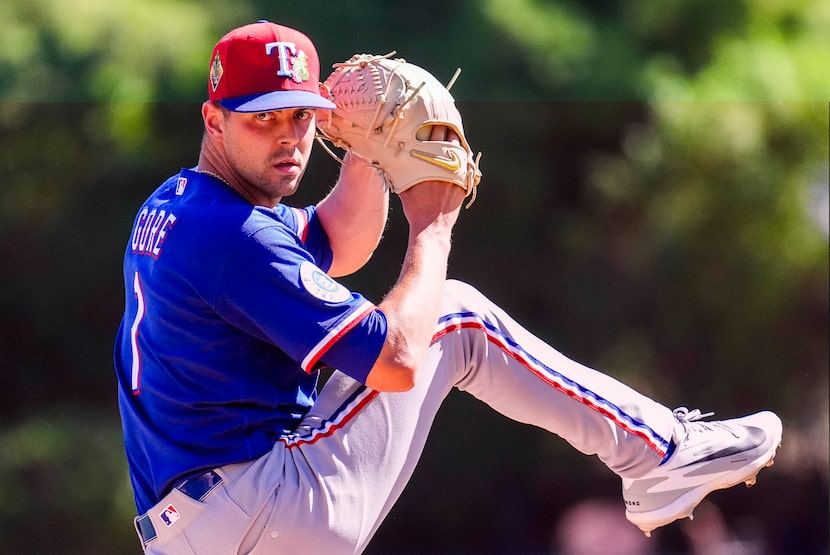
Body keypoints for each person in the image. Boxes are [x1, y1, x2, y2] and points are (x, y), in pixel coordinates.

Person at [113, 20, 782, 555]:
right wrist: (432, 221)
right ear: (213, 119)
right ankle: (661, 453)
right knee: (456, 319)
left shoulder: (184, 207)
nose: (288, 136)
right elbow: (396, 362)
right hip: (261, 507)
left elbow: (336, 242)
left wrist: (372, 150)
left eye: (301, 115)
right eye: (263, 117)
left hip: (206, 525)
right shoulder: (237, 236)